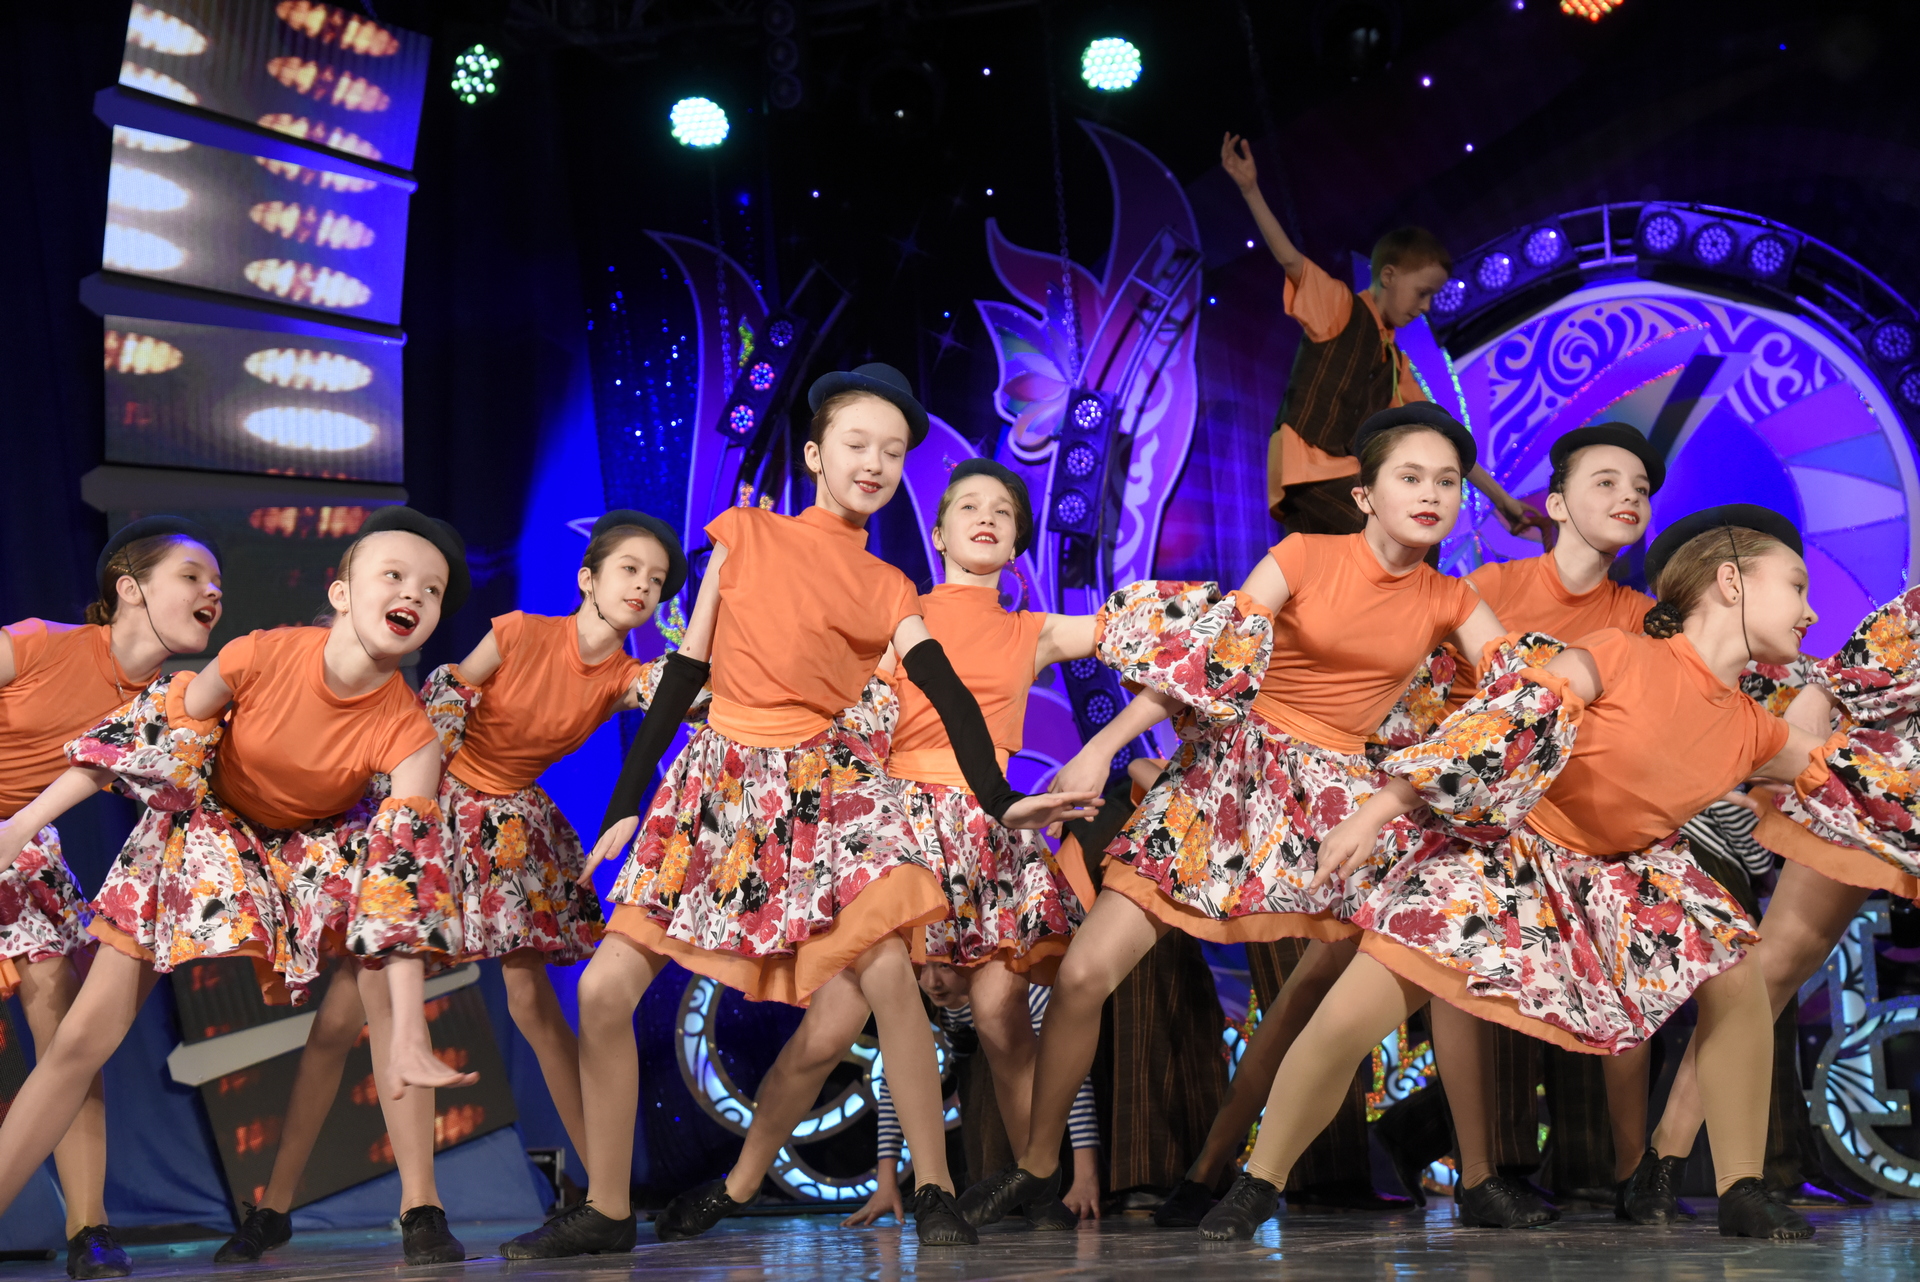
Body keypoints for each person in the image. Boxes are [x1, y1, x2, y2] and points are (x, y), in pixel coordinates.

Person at [501, 364, 1098, 1258]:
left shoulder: (889, 585)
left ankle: (935, 1191)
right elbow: (687, 671)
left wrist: (1003, 797)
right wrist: (626, 802)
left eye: (892, 452)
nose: (875, 462)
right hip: (717, 787)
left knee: (887, 970)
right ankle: (609, 1206)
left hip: (824, 795)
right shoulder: (744, 534)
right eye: (857, 443)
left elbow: (946, 690)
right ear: (816, 454)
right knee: (602, 988)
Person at [960, 404, 1534, 1230]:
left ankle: (1261, 1175)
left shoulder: (1453, 599)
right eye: (1410, 477)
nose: (1431, 494)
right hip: (1231, 778)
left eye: (1447, 482)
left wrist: (1567, 686)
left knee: (1366, 976)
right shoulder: (1301, 556)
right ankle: (1037, 1164)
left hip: (1338, 804)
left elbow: (1518, 697)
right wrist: (1106, 747)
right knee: (1085, 975)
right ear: (1365, 494)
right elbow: (1211, 659)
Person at [1198, 505, 1829, 1242]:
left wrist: (1856, 692)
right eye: (1797, 586)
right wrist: (1376, 812)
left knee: (1736, 967)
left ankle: (1740, 1187)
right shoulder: (1619, 653)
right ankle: (1259, 1182)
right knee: (1349, 1016)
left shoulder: (1754, 726)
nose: (1811, 612)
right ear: (1731, 582)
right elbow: (1499, 726)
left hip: (1616, 881)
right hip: (1510, 861)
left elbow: (1851, 773)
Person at [0, 507, 480, 1267]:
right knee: (82, 1036)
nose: (412, 594)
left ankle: (422, 1206)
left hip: (316, 847)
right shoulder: (260, 654)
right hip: (208, 828)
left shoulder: (410, 736)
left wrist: (414, 1033)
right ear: (341, 593)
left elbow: (399, 883)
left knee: (384, 983)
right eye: (393, 575)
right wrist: (22, 824)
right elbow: (148, 738)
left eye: (432, 589)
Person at [212, 510, 686, 1265]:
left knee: (532, 1004)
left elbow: (692, 688)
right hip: (431, 802)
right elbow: (441, 708)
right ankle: (284, 1208)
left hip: (512, 830)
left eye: (656, 581)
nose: (642, 587)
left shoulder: (630, 678)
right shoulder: (520, 632)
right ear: (587, 578)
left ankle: (606, 1197)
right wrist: (407, 813)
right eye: (629, 569)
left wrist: (711, 623)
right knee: (345, 1019)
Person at [1638, 571, 1920, 1219]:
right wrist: (1820, 696)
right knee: (1776, 965)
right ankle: (1662, 1163)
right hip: (1886, 780)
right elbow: (1881, 648)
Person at [0, 517, 222, 1280]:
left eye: (216, 582)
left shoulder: (168, 702)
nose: (212, 591)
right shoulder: (41, 643)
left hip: (20, 851)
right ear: (129, 588)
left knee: (66, 1031)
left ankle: (88, 1226)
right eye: (192, 576)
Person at [1220, 132, 1544, 542]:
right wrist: (1250, 189)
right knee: (1396, 534)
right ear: (1388, 276)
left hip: (1348, 479)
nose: (1426, 306)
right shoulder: (1339, 307)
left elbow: (1443, 435)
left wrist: (1504, 501)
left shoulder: (1394, 363)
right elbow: (1289, 258)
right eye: (1422, 292)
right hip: (1309, 474)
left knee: (1406, 542)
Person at [845, 959, 1102, 1228]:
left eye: (944, 967)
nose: (932, 982)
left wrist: (1086, 1177)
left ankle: (1045, 1192)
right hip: (976, 1088)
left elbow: (1070, 1081)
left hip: (1036, 1102)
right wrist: (886, 1183)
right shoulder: (923, 1003)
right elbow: (894, 1086)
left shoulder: (1029, 996)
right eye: (922, 966)